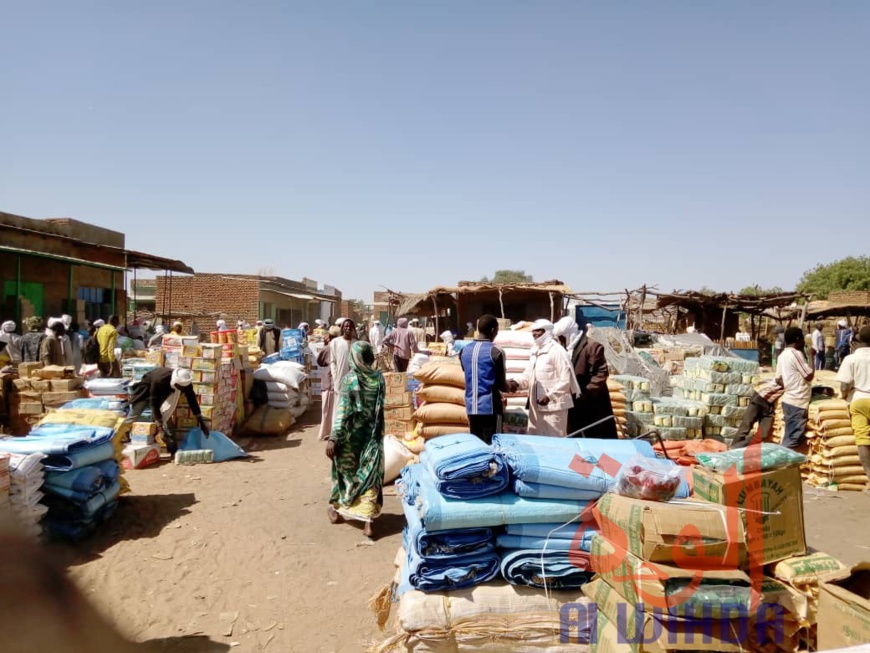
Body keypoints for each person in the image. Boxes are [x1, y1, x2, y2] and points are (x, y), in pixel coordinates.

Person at [325, 341, 385, 539]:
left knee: (344, 473)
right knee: (369, 475)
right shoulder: (379, 378)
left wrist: (334, 437)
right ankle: (368, 520)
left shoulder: (350, 379)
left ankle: (337, 505)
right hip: (372, 436)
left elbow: (343, 411)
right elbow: (380, 409)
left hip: (350, 437)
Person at [554, 317, 618, 439]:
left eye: (561, 337)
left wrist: (585, 393)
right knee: (575, 435)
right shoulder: (567, 349)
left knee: (595, 435)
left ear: (568, 334)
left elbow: (600, 374)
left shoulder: (592, 346)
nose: (560, 340)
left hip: (591, 400)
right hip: (574, 401)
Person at [459, 315, 518, 444]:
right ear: (493, 330)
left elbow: (471, 375)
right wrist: (512, 386)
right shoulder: (496, 352)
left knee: (477, 446)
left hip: (471, 406)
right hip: (490, 407)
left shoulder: (464, 351)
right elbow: (501, 384)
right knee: (493, 444)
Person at [516, 319, 579, 437]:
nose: (534, 334)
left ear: (547, 331)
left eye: (538, 331)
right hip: (536, 407)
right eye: (533, 331)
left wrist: (549, 396)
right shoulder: (535, 351)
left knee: (554, 443)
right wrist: (516, 383)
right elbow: (528, 375)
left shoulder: (557, 351)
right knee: (536, 442)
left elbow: (566, 380)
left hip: (553, 409)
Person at [128, 367, 210, 455]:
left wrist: (201, 421)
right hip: (147, 389)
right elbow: (154, 403)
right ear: (174, 382)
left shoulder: (185, 384)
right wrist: (159, 425)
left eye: (183, 388)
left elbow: (192, 400)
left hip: (164, 393)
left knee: (166, 421)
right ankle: (122, 437)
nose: (181, 390)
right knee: (134, 414)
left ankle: (173, 451)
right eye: (179, 387)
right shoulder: (160, 379)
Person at [837, 326, 870, 490]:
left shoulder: (851, 359)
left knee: (862, 438)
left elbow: (844, 385)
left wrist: (843, 396)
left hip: (859, 400)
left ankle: (869, 474)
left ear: (857, 341)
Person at [776, 327, 814, 450]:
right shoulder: (796, 354)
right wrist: (811, 356)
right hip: (798, 401)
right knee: (794, 438)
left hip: (788, 400)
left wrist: (790, 384)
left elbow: (778, 379)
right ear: (798, 339)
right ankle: (780, 463)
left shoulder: (782, 355)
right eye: (802, 338)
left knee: (789, 435)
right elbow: (809, 376)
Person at [729, 378, 786, 449]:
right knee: (747, 427)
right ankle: (735, 448)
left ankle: (734, 448)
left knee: (752, 429)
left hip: (765, 402)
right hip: (759, 399)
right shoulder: (787, 377)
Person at [317, 326, 341, 441]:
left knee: (326, 409)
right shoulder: (341, 347)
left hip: (328, 381)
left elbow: (320, 361)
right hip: (337, 381)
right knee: (335, 408)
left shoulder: (327, 348)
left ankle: (325, 432)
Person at [329, 318, 358, 391]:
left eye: (350, 326)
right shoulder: (335, 342)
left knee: (351, 399)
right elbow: (332, 361)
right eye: (346, 326)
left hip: (353, 377)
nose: (348, 328)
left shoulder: (356, 343)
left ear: (353, 328)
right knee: (339, 400)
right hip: (339, 377)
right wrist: (335, 376)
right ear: (342, 328)